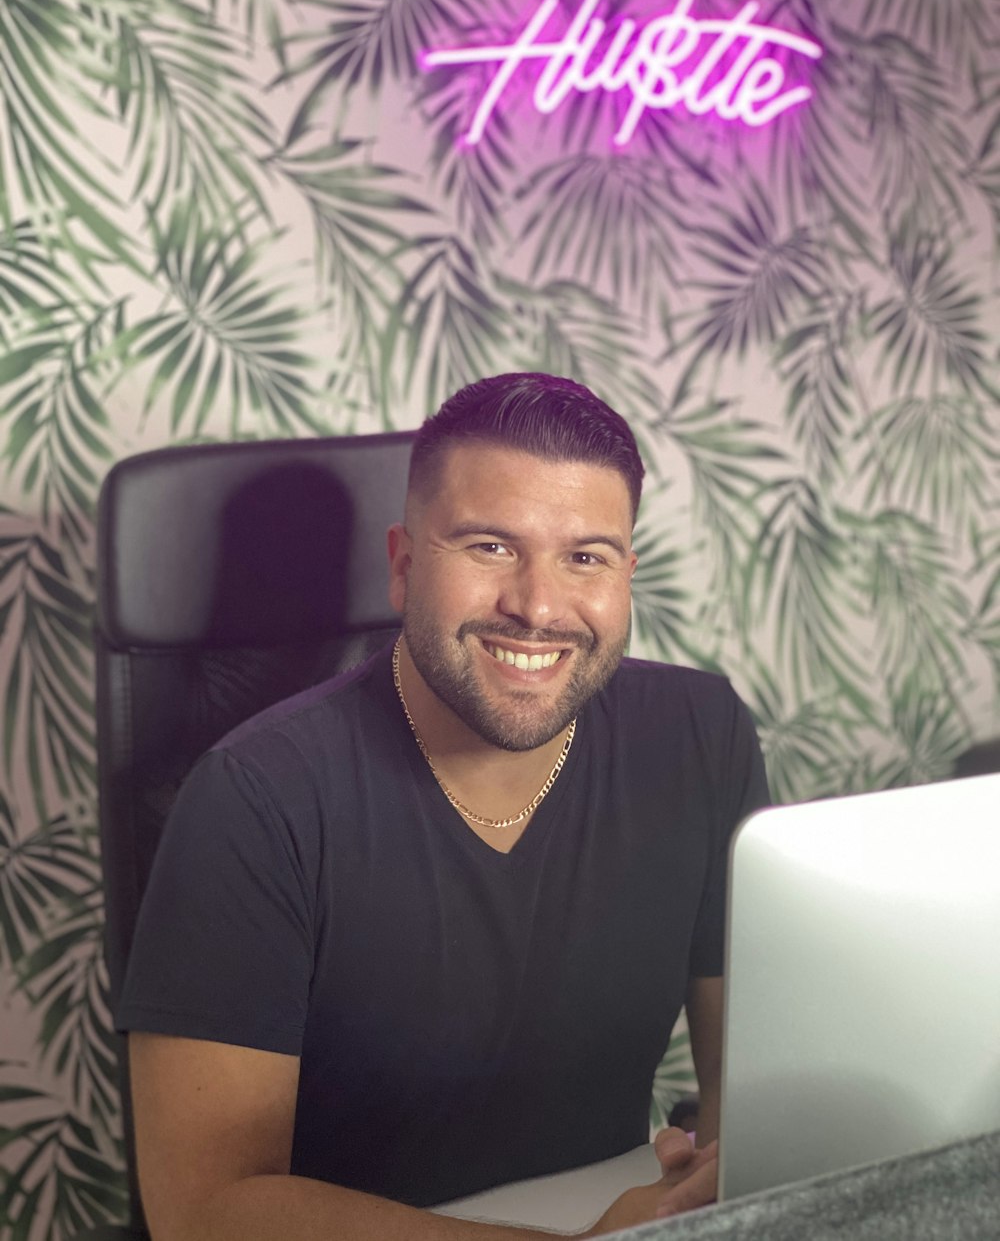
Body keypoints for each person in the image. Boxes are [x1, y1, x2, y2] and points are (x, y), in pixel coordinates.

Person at [118, 373, 770, 1241]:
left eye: (586, 556)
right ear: (404, 563)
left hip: (610, 1206)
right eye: (491, 546)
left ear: (626, 575)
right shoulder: (252, 800)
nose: (538, 607)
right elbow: (206, 1211)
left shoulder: (703, 734)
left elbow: (751, 1078)